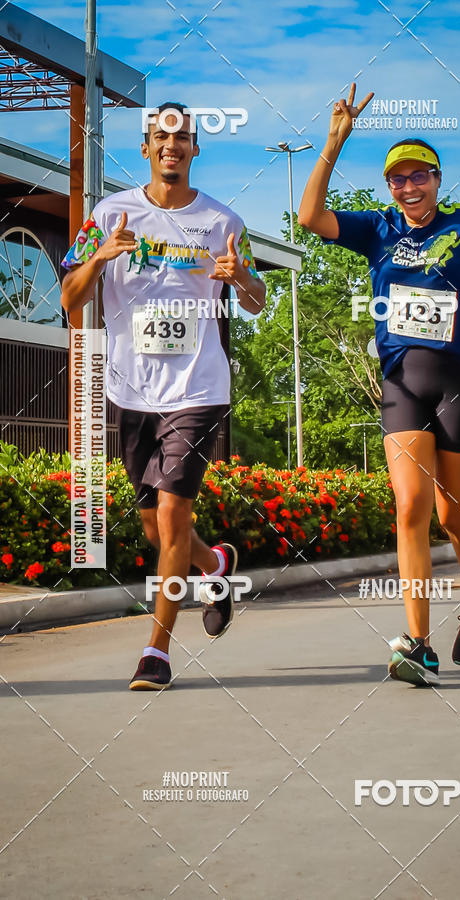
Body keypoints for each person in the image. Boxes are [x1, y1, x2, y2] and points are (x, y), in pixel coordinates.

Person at [299, 86, 460, 686]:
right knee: (412, 506)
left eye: (419, 177)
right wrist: (334, 141)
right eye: (398, 180)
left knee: (452, 511)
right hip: (402, 384)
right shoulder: (378, 229)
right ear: (389, 187)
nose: (409, 188)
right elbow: (311, 217)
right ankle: (417, 640)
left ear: (437, 180)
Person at [61, 102, 266, 690]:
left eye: (182, 138)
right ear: (147, 148)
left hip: (198, 389)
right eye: (160, 137)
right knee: (155, 530)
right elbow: (71, 300)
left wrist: (241, 279)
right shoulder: (108, 213)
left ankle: (157, 650)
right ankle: (215, 566)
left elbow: (256, 301)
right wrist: (100, 256)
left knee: (175, 514)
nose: (171, 146)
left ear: (195, 149)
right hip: (130, 392)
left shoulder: (223, 221)